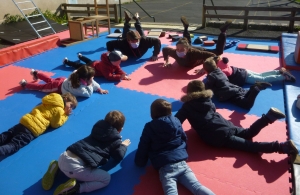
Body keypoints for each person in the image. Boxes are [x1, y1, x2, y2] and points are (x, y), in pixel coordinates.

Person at [175, 80, 299, 155]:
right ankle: (268, 117)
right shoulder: (208, 100)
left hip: (217, 136)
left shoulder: (187, 107)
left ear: (189, 93)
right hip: (226, 125)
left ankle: (282, 147)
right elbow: (212, 111)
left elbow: (176, 122)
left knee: (251, 147)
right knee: (248, 132)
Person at [135, 99, 215, 195]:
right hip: (181, 162)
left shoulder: (150, 127)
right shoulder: (176, 121)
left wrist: (140, 161)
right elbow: (183, 138)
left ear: (153, 113)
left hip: (166, 166)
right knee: (196, 186)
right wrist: (182, 151)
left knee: (171, 191)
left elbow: (144, 145)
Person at [42, 110, 131, 195]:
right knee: (106, 179)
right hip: (74, 169)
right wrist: (123, 145)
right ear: (120, 130)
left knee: (70, 161)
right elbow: (118, 156)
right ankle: (76, 188)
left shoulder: (97, 128)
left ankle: (55, 167)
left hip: (63, 156)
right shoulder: (115, 140)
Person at [0, 92, 77, 156]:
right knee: (15, 144)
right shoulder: (59, 110)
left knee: (8, 134)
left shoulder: (51, 99)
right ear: (66, 99)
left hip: (25, 120)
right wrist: (65, 116)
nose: (70, 109)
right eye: (71, 105)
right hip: (32, 129)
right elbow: (55, 124)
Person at [203, 57, 272, 110]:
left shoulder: (212, 76)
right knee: (246, 95)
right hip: (235, 88)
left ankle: (256, 89)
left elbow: (207, 87)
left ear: (206, 70)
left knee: (247, 105)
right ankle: (254, 87)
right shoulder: (220, 71)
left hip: (229, 94)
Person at [162, 16, 231, 68]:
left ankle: (223, 32)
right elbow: (164, 49)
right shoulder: (175, 52)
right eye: (178, 49)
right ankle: (186, 28)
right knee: (185, 43)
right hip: (189, 47)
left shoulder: (194, 54)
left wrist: (205, 67)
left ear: (187, 50)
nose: (179, 51)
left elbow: (212, 56)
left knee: (219, 52)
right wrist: (167, 61)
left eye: (182, 49)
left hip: (200, 50)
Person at [196, 56, 296, 86]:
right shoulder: (221, 62)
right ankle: (278, 72)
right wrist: (204, 70)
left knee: (262, 79)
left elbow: (224, 77)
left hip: (245, 77)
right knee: (261, 74)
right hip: (244, 71)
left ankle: (283, 76)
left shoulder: (222, 72)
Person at [20, 65, 108, 97]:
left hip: (62, 80)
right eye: (92, 77)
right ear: (86, 79)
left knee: (49, 79)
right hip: (57, 87)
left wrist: (99, 89)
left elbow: (92, 82)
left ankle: (36, 74)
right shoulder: (78, 88)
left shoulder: (77, 74)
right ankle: (25, 84)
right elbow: (88, 94)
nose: (93, 78)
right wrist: (89, 85)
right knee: (41, 87)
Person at [63, 51, 131, 81]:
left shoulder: (114, 63)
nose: (120, 63)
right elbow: (108, 76)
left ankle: (81, 56)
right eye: (119, 61)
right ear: (113, 61)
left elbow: (118, 69)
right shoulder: (105, 66)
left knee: (88, 61)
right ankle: (67, 61)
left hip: (95, 63)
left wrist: (123, 74)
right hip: (91, 68)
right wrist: (119, 77)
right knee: (79, 65)